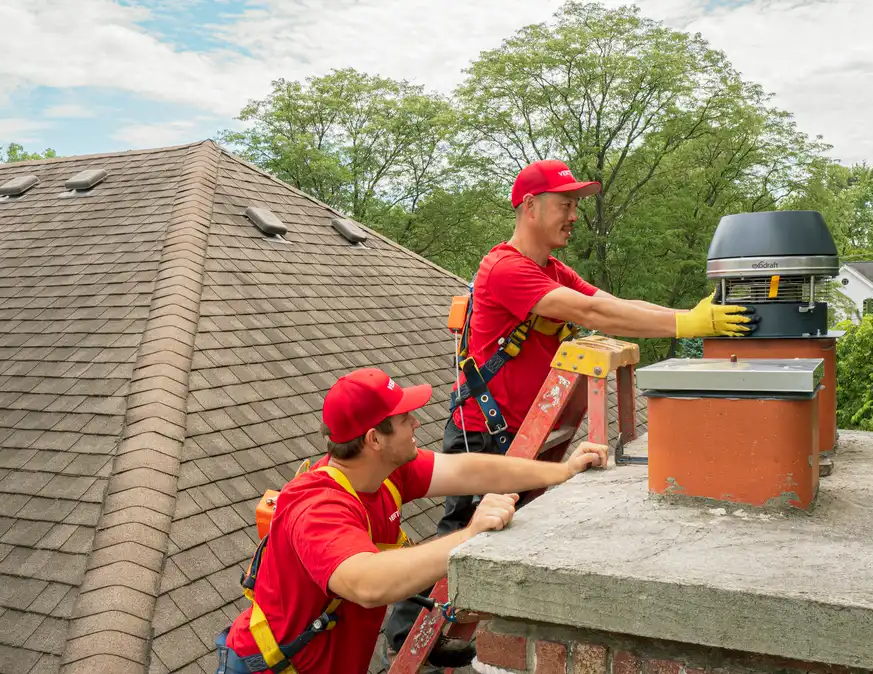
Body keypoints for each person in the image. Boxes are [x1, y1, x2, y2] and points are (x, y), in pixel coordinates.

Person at [382, 159, 758, 658]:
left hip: (521, 430)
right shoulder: (506, 268)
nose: (574, 215)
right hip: (490, 433)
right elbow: (590, 312)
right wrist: (687, 326)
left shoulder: (549, 269)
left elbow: (609, 300)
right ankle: (405, 643)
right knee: (460, 537)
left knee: (503, 539)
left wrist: (687, 317)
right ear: (530, 207)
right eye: (565, 204)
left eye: (576, 205)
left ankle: (455, 639)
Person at [214, 367, 609, 674]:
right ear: (374, 439)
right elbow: (367, 583)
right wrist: (469, 535)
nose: (416, 423)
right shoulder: (318, 507)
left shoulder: (386, 472)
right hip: (270, 667)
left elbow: (470, 470)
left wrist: (562, 472)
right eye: (404, 419)